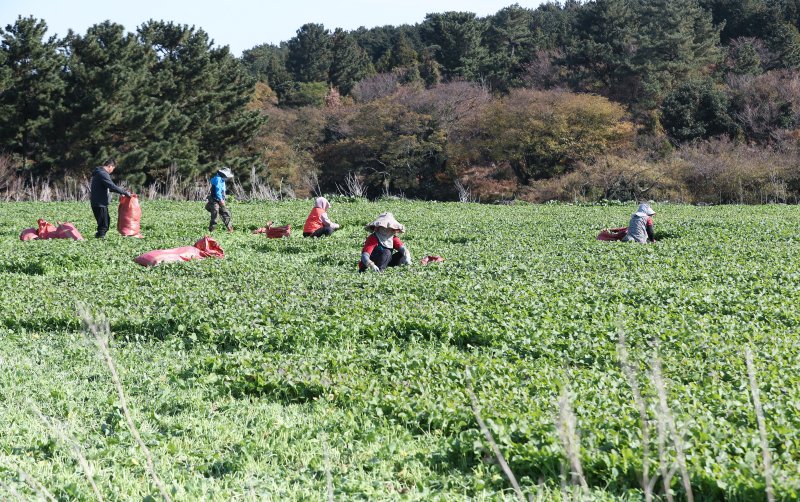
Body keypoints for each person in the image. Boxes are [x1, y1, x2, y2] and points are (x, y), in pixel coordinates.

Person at [90, 158, 131, 238]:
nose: (112, 171)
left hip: (98, 202)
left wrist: (122, 192)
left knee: (105, 222)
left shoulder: (99, 173)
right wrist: (125, 192)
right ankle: (99, 241)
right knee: (104, 225)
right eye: (113, 168)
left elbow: (111, 188)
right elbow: (111, 185)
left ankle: (98, 237)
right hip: (99, 203)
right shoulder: (103, 174)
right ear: (110, 166)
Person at [206, 167, 233, 232]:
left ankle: (230, 229)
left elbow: (222, 191)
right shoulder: (218, 179)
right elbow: (218, 191)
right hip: (214, 200)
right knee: (215, 215)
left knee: (225, 213)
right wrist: (221, 200)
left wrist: (223, 199)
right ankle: (212, 230)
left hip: (220, 199)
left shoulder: (221, 180)